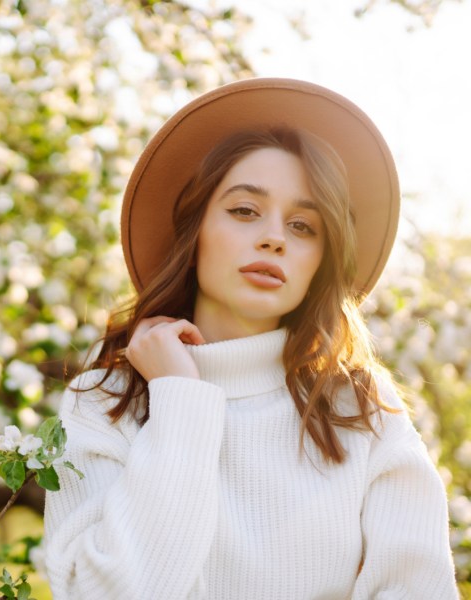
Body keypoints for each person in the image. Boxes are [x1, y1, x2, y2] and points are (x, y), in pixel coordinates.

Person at [42, 78, 458, 599]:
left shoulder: (360, 406)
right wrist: (180, 399)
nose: (274, 237)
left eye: (304, 226)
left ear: (320, 263)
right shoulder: (105, 400)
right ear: (193, 235)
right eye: (244, 211)